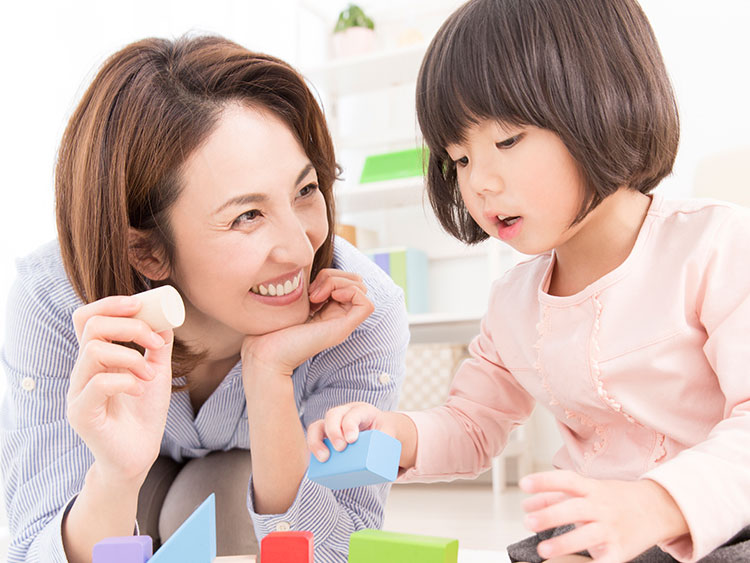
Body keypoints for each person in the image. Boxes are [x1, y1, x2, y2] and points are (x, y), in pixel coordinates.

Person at [307, 0, 750, 562]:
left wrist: (657, 505)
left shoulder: (717, 247)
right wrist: (398, 434)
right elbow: (471, 424)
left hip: (722, 527)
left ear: (603, 102)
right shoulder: (513, 302)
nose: (480, 184)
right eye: (459, 159)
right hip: (593, 538)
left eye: (507, 140)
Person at [0, 35, 409, 563]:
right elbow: (34, 547)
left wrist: (269, 374)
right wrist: (117, 476)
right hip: (121, 479)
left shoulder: (357, 307)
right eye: (247, 216)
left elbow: (342, 550)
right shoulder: (57, 303)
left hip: (241, 479)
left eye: (305, 191)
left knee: (218, 503)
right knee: (134, 505)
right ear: (147, 252)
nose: (300, 247)